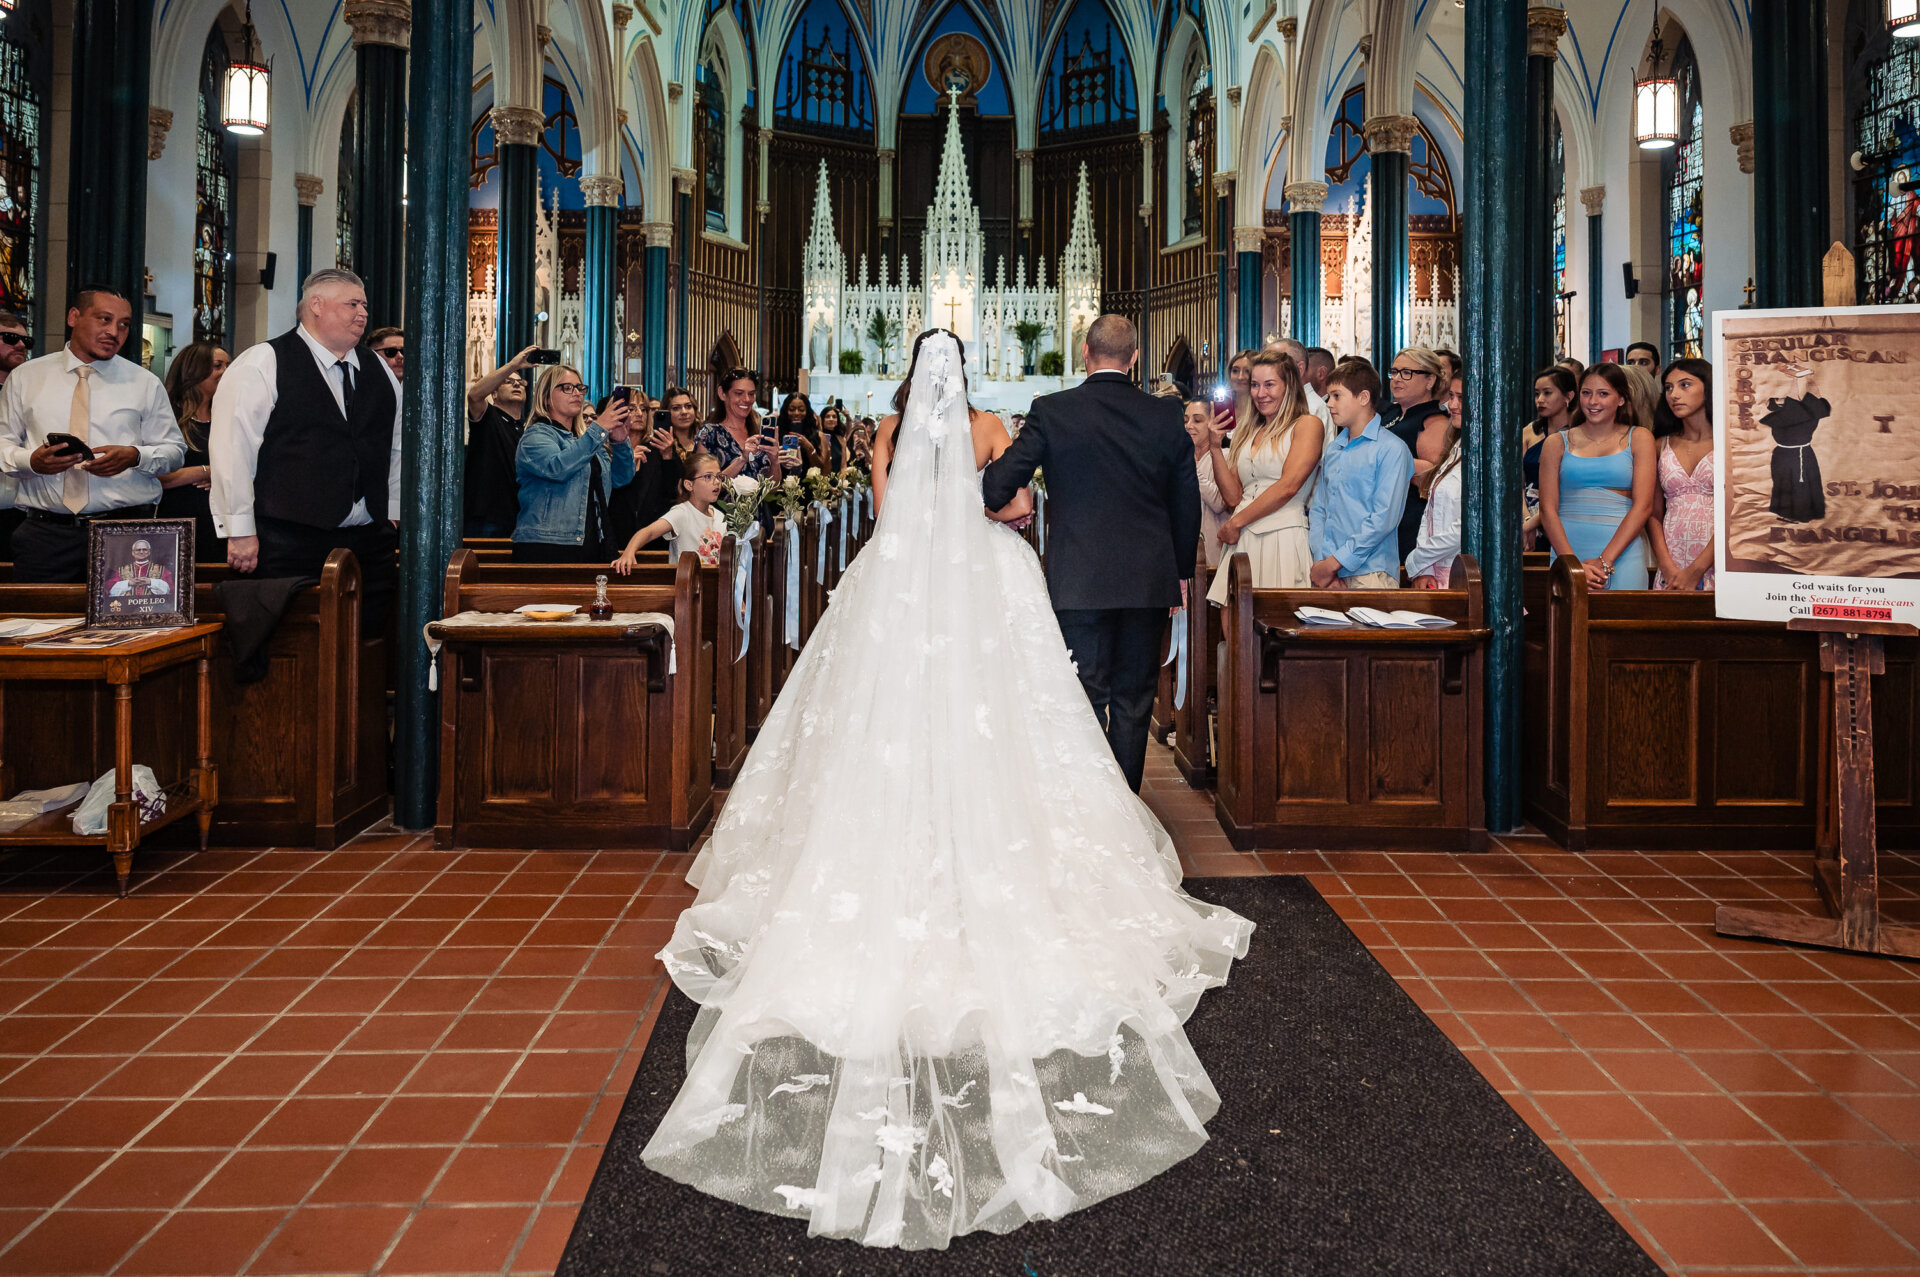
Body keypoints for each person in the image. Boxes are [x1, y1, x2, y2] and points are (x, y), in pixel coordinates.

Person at [643, 327, 1249, 1249]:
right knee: (1012, 712)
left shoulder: (889, 437)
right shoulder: (994, 424)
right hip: (984, 585)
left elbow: (891, 523)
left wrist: (938, 517)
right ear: (964, 376)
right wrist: (988, 516)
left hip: (903, 588)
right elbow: (1003, 509)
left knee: (890, 716)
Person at [982, 313, 1198, 793]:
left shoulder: (1054, 411)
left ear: (1085, 352)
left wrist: (1006, 506)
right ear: (1135, 358)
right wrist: (1179, 572)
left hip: (1078, 578)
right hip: (1147, 580)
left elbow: (997, 485)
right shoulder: (1164, 414)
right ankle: (1126, 804)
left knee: (1081, 694)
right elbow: (1186, 500)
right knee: (1134, 699)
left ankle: (1086, 806)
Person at [210, 269, 400, 627]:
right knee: (292, 642)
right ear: (316, 305)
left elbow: (396, 443)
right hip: (289, 538)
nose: (363, 313)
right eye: (352, 304)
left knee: (371, 639)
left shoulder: (376, 367)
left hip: (368, 537)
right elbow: (232, 451)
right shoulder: (262, 362)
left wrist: (392, 507)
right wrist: (239, 529)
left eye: (364, 305)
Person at [0, 287, 185, 583]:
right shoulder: (27, 377)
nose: (115, 331)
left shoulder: (144, 383)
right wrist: (32, 461)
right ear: (74, 316)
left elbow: (175, 451)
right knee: (40, 626)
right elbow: (3, 441)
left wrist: (135, 456)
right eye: (104, 319)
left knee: (128, 629)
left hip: (126, 533)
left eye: (124, 324)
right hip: (47, 536)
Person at [1204, 350, 1324, 604]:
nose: (1260, 393)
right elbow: (1233, 496)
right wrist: (1215, 447)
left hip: (1282, 534)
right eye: (1255, 385)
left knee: (1275, 625)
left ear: (1289, 386)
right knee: (1232, 623)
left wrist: (1235, 524)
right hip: (1243, 537)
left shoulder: (1307, 424)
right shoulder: (1249, 431)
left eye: (1270, 384)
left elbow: (1289, 486)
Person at [1538, 362, 1656, 591]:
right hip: (1568, 550)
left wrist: (1604, 561)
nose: (1593, 402)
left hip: (1622, 554)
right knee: (1566, 624)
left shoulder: (1640, 438)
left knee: (1621, 622)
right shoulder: (1556, 443)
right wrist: (1571, 565)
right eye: (1586, 393)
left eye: (1603, 394)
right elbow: (1547, 510)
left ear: (1621, 399)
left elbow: (1644, 506)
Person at [511, 364, 636, 563]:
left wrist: (620, 443)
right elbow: (558, 468)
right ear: (546, 397)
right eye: (567, 388)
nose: (577, 393)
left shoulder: (585, 440)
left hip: (592, 540)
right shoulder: (536, 436)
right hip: (547, 544)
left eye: (579, 388)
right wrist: (599, 428)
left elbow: (620, 479)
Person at [1306, 361, 1414, 590]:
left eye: (1336, 396)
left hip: (1371, 572)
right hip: (1328, 573)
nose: (1329, 404)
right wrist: (1322, 562)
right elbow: (1319, 510)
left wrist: (1336, 562)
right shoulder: (1335, 448)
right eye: (1329, 397)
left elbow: (1383, 519)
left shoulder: (1391, 449)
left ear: (1363, 397)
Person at [158, 341, 231, 559]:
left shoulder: (228, 415)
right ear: (192, 371)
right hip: (176, 520)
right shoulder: (169, 415)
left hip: (220, 523)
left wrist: (219, 476)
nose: (225, 372)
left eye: (228, 365)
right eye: (218, 366)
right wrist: (209, 471)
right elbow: (161, 476)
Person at [1650, 358, 1715, 590]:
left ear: (1708, 388)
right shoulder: (1659, 445)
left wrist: (1697, 569)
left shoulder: (1730, 443)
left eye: (1685, 385)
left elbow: (1737, 515)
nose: (1674, 395)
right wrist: (1667, 566)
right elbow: (1654, 514)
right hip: (1672, 557)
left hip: (1718, 558)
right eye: (1668, 388)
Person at [1384, 346, 1450, 563]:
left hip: (1409, 516)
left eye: (1407, 373)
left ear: (1430, 380)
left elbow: (1434, 476)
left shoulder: (1433, 420)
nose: (1397, 379)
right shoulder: (1390, 413)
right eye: (1394, 372)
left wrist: (1381, 460)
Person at [463, 347, 537, 536]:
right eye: (508, 382)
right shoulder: (488, 417)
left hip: (519, 516)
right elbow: (474, 395)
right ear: (494, 393)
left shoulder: (527, 428)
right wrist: (514, 364)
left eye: (521, 382)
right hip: (486, 516)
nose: (517, 385)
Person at [612, 451, 725, 572]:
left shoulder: (720, 516)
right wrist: (628, 553)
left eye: (718, 476)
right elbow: (648, 532)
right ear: (689, 485)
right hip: (685, 584)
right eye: (708, 476)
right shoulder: (682, 513)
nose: (717, 482)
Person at [605, 389, 681, 552]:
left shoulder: (658, 448)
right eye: (631, 409)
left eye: (644, 409)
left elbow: (674, 491)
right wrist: (626, 460)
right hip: (615, 534)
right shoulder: (605, 450)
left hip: (654, 538)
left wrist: (668, 455)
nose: (639, 413)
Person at [1407, 376, 1465, 588]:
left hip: (1463, 570)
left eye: (1461, 398)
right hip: (1435, 569)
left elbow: (1465, 526)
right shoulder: (1456, 447)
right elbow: (1430, 511)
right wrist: (1424, 569)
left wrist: (1417, 560)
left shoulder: (1488, 455)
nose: (1452, 405)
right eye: (1451, 396)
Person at [1521, 366, 1578, 549]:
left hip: (1563, 517)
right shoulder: (1530, 431)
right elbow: (1516, 481)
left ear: (1568, 396)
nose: (1540, 400)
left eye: (1547, 393)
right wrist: (1526, 519)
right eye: (1537, 394)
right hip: (1526, 514)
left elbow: (1570, 486)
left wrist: (1533, 522)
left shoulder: (1579, 434)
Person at [697, 369, 789, 482]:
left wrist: (774, 461)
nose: (747, 399)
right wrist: (742, 460)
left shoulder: (759, 433)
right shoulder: (709, 433)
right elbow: (702, 484)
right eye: (739, 393)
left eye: (751, 394)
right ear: (722, 394)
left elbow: (772, 489)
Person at [1186, 398, 1232, 567]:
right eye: (1186, 420)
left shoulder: (1226, 456)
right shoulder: (1180, 460)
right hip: (1187, 551)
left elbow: (1220, 502)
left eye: (1197, 420)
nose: (1189, 425)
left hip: (1215, 553)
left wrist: (1191, 468)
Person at [0, 311, 29, 546]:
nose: (20, 345)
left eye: (26, 341)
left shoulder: (35, 392)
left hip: (24, 511)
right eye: (9, 338)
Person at [107, 537, 174, 597]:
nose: (141, 552)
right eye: (138, 550)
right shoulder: (121, 571)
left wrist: (151, 582)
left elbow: (169, 590)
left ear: (149, 552)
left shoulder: (161, 570)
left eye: (144, 549)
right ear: (133, 553)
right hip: (128, 608)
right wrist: (128, 583)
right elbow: (111, 592)